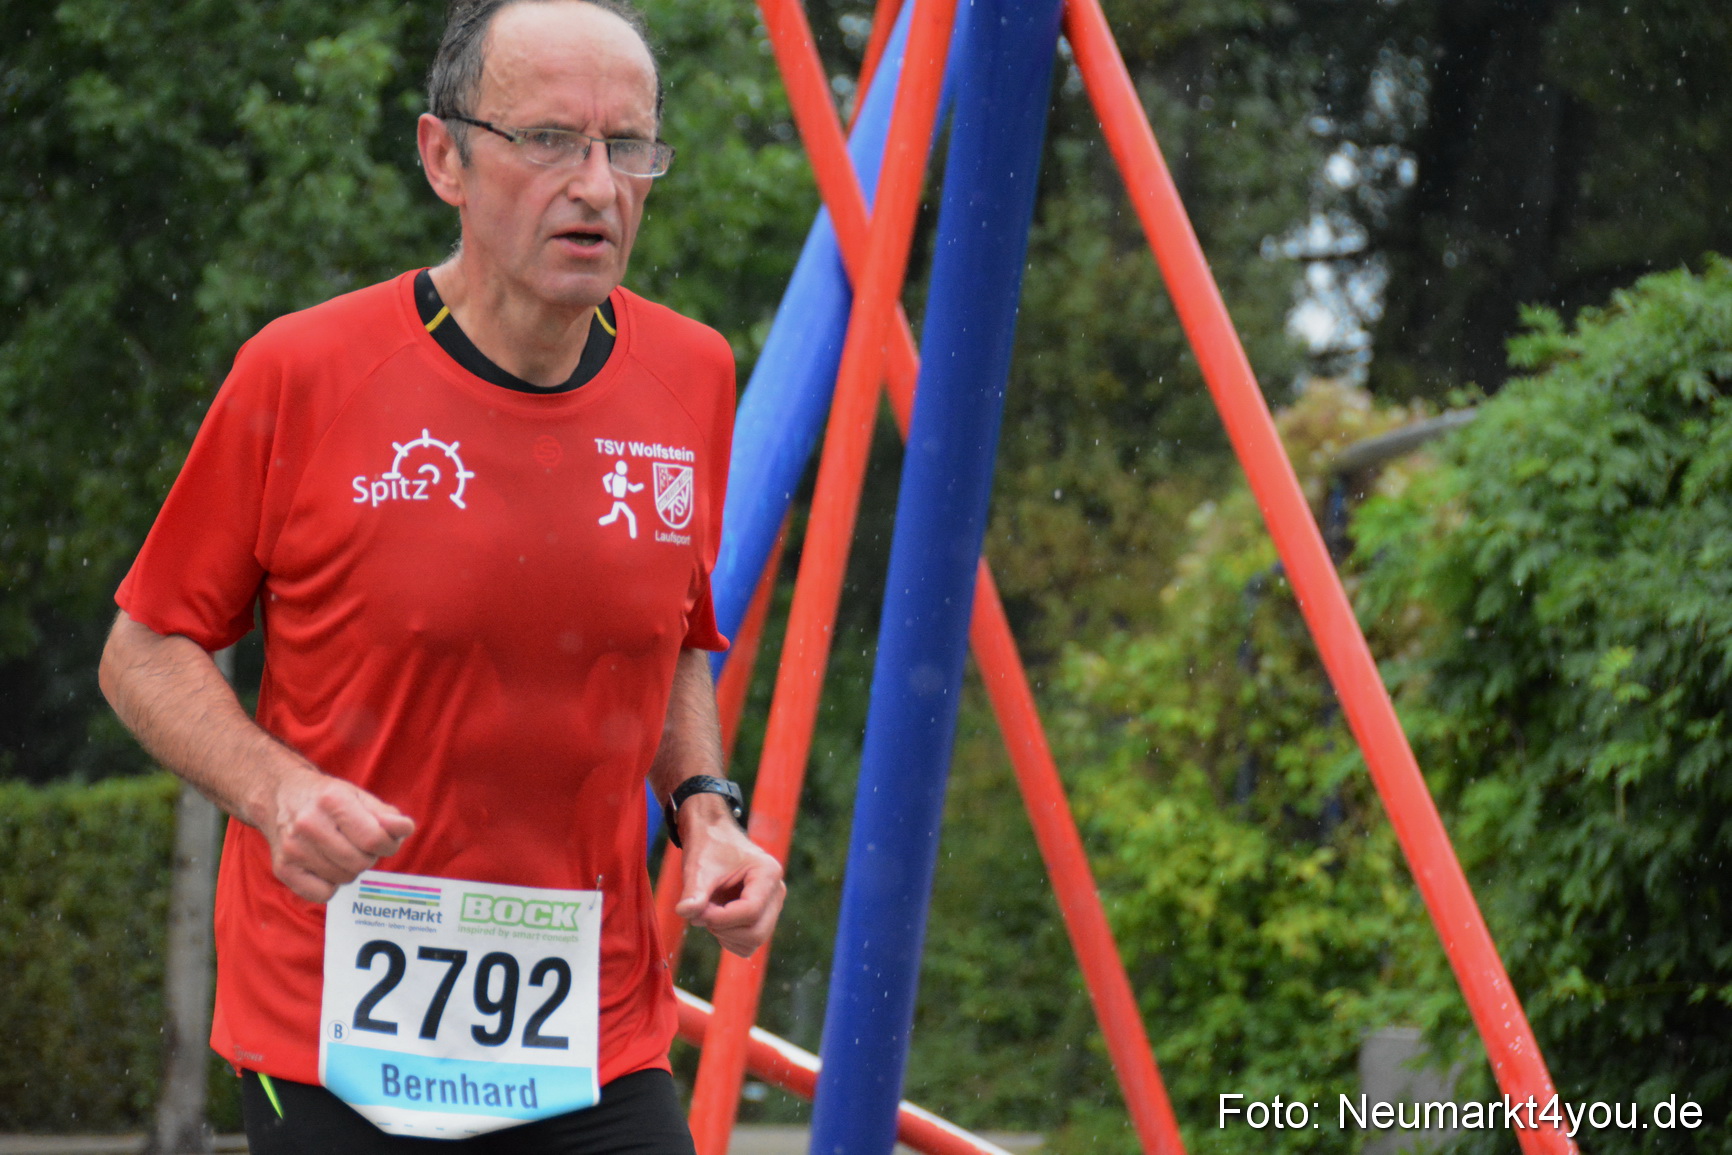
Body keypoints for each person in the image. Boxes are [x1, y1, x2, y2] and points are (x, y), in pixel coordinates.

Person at [97, 1, 783, 1151]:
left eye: (629, 147)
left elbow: (668, 642)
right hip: (336, 1024)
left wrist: (706, 815)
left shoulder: (692, 374)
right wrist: (278, 794)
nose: (598, 185)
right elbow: (142, 647)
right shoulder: (305, 372)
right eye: (551, 140)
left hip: (594, 1031)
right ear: (443, 157)